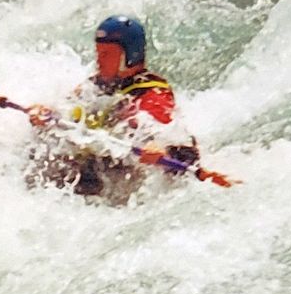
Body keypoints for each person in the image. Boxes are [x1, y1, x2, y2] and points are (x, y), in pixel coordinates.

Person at [24, 15, 202, 201]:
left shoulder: (152, 93)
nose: (99, 61)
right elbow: (66, 111)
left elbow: (177, 145)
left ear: (129, 56)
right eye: (99, 53)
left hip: (123, 176)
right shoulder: (96, 85)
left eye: (107, 54)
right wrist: (44, 115)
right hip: (94, 166)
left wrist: (162, 151)